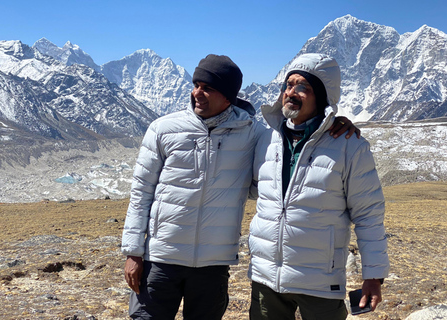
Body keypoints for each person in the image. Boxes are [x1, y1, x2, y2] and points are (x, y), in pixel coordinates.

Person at [121, 54, 358, 320]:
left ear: (228, 97)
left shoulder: (255, 134)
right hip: (161, 259)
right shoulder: (163, 129)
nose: (197, 93)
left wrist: (332, 124)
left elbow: (282, 160)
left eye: (207, 88)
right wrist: (133, 252)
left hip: (213, 265)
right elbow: (141, 192)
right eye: (196, 84)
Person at [248, 53, 390, 320]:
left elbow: (368, 215)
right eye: (288, 85)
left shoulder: (349, 146)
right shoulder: (265, 139)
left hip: (320, 283)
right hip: (266, 279)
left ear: (322, 97)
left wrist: (373, 275)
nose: (292, 92)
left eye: (303, 87)